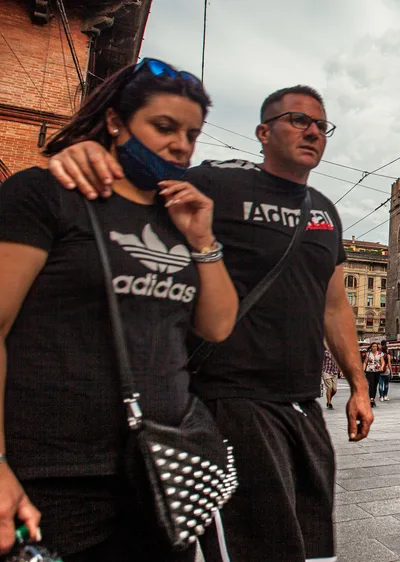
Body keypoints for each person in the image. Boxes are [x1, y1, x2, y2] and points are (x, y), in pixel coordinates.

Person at [49, 83, 375, 562]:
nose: (312, 131)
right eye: (298, 120)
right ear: (263, 132)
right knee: (254, 549)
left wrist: (359, 386)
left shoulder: (324, 211)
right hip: (229, 399)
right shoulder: (218, 182)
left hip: (302, 406)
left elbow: (334, 305)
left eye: (321, 125)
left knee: (311, 551)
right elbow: (135, 189)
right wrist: (90, 154)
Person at [0, 59, 239, 560]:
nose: (180, 145)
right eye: (164, 127)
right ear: (115, 121)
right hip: (55, 476)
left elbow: (216, 326)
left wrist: (202, 237)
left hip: (161, 471)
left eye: (192, 134)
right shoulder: (45, 196)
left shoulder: (180, 218)